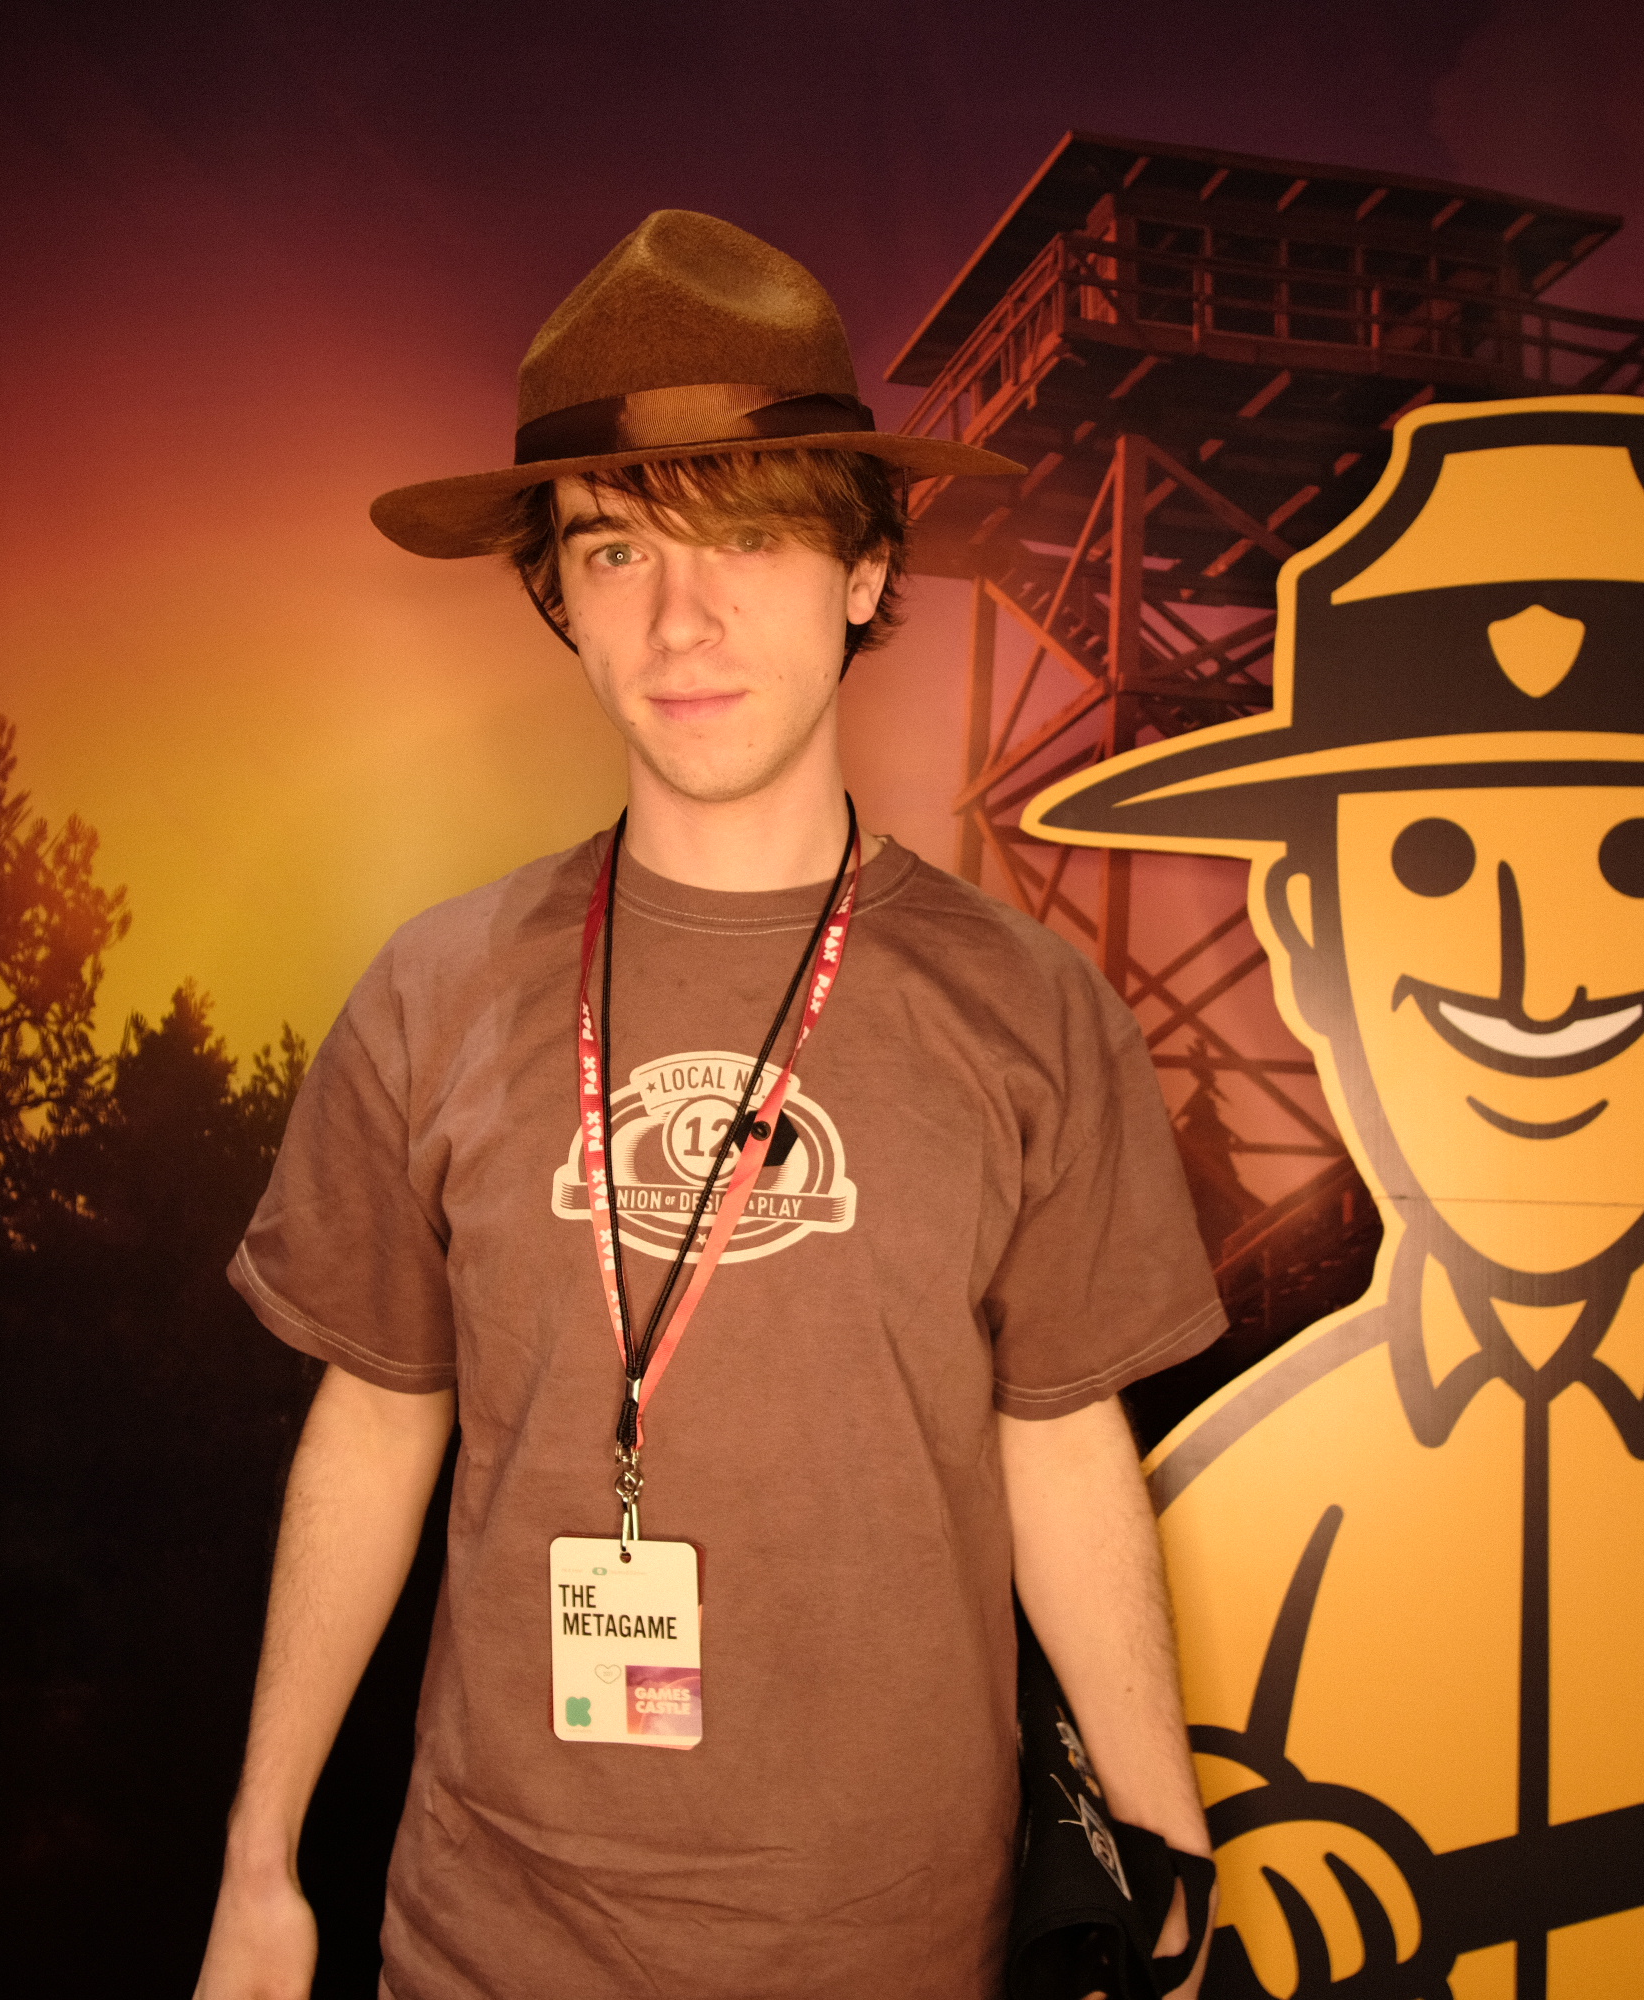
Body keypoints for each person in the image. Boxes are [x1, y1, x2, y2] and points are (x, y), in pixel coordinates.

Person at [195, 209, 1227, 2000]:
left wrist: (1168, 1859)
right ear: (558, 598)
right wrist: (260, 1865)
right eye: (615, 550)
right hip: (488, 1944)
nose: (682, 620)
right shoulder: (435, 991)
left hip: (901, 1950)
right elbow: (374, 1422)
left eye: (749, 534)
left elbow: (1063, 1444)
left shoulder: (1032, 1010)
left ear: (864, 565)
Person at [1028, 397, 1644, 1997]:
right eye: (1432, 862)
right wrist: (1215, 1839)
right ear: (1304, 930)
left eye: (1638, 860)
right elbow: (1057, 1805)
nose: (1535, 973)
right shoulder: (1216, 1514)